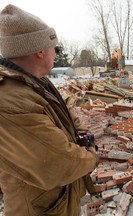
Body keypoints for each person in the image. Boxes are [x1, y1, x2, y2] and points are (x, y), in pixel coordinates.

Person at [0, 4, 99, 216]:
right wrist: (91, 156)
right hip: (37, 209)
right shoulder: (10, 101)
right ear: (40, 50)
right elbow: (56, 163)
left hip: (56, 202)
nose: (56, 54)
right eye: (56, 48)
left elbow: (66, 115)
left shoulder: (35, 83)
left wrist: (83, 134)